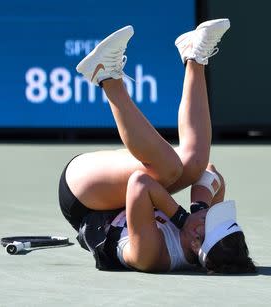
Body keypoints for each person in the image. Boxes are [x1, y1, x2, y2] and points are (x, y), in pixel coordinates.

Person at [59, 19, 256, 273]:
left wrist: (182, 218)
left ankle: (106, 76)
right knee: (194, 163)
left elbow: (140, 184)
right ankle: (195, 57)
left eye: (210, 221)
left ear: (197, 240)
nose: (212, 216)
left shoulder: (152, 257)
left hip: (82, 196)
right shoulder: (199, 234)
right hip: (119, 192)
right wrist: (199, 209)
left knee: (167, 168)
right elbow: (211, 173)